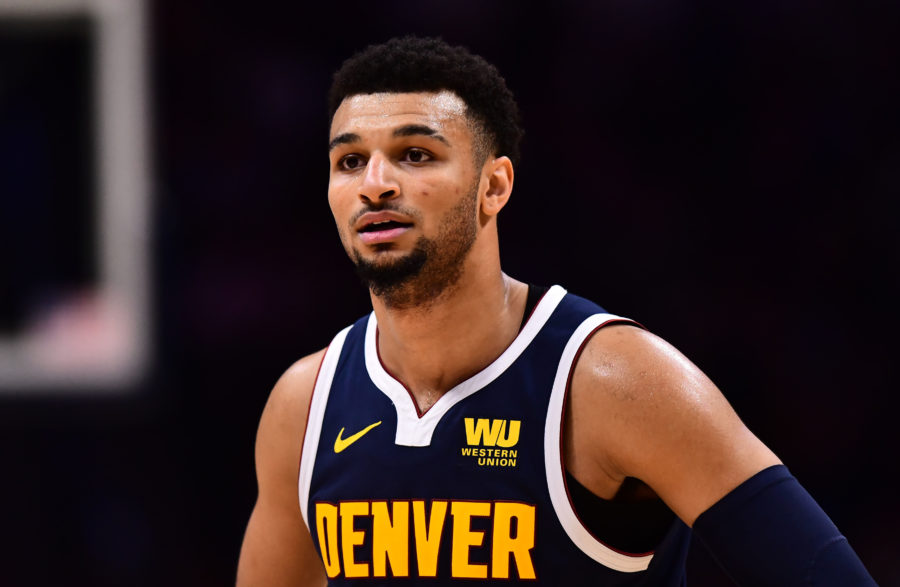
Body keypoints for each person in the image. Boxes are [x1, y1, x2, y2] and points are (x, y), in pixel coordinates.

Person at [236, 36, 875, 586]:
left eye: (416, 155)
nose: (375, 182)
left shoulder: (615, 381)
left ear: (495, 186)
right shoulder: (305, 405)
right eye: (350, 161)